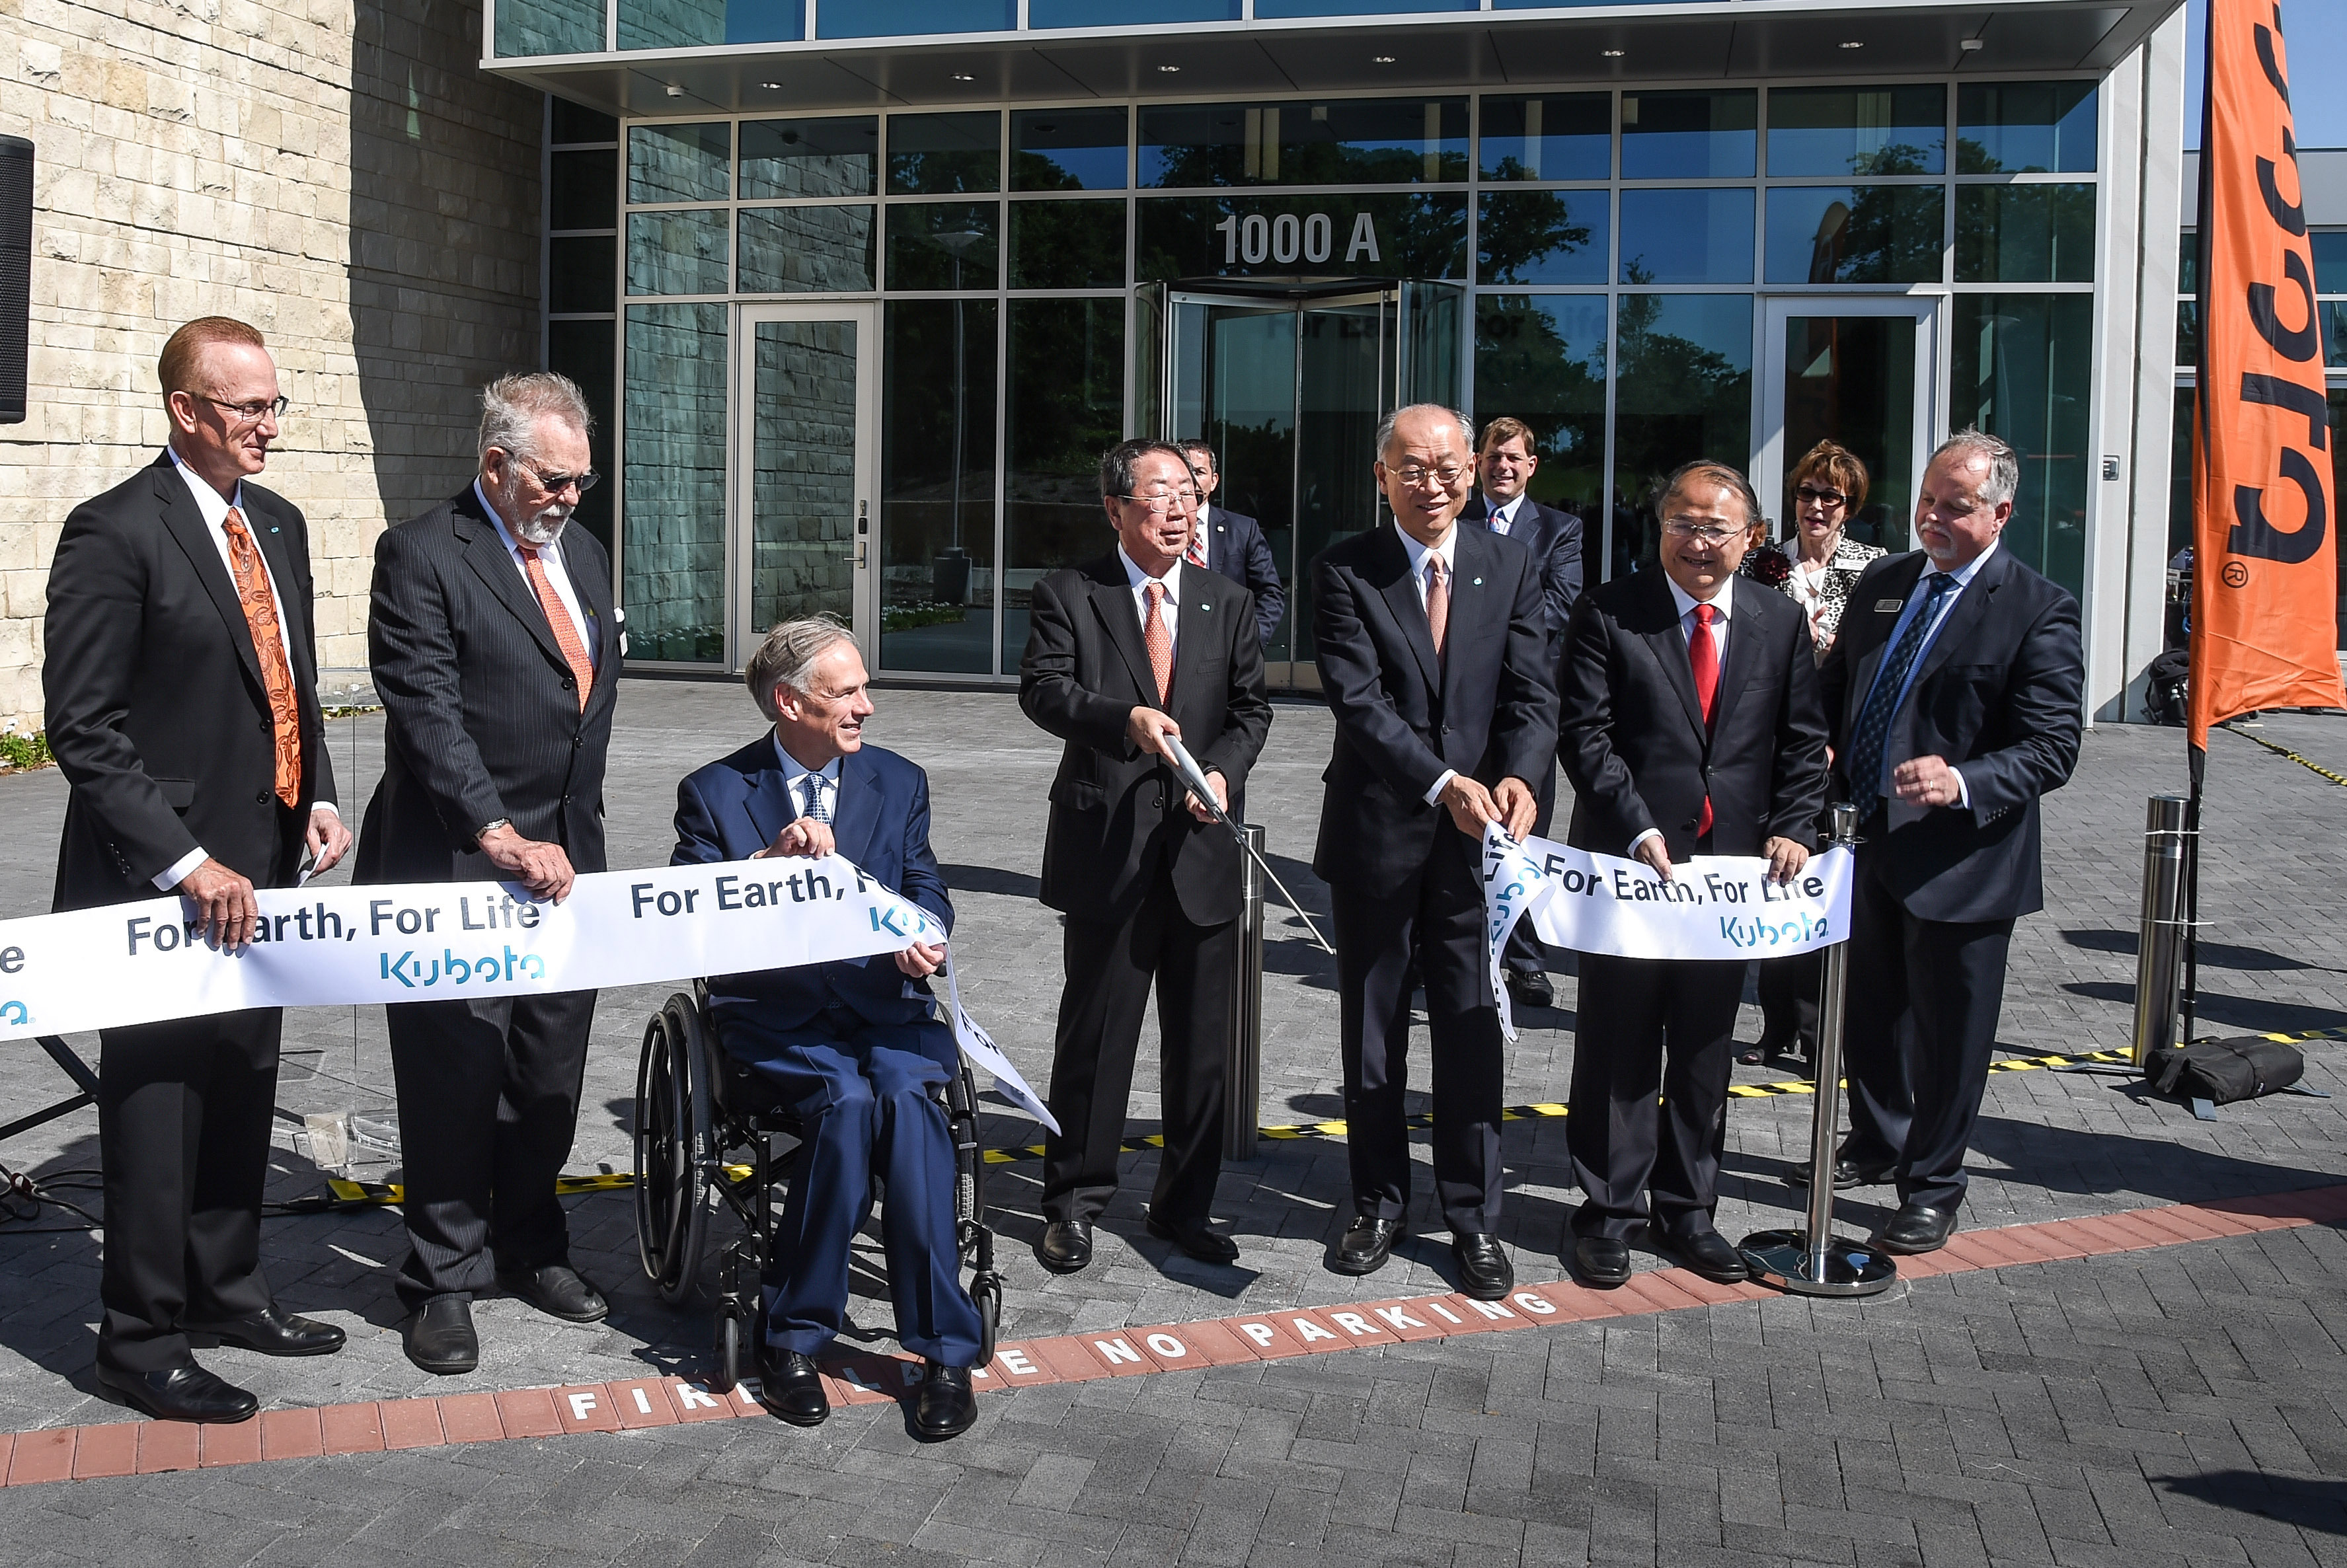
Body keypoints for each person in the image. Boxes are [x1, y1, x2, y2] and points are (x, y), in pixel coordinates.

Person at [43, 316, 354, 1423]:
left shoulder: (278, 521)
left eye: (275, 402)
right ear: (188, 410)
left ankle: (227, 1290)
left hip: (266, 869)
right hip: (161, 884)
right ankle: (138, 1338)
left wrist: (314, 788)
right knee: (158, 1113)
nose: (270, 424)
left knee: (241, 1088)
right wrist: (185, 863)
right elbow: (82, 729)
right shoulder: (113, 531)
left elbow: (290, 680)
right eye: (249, 406)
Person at [358, 371, 621, 1374]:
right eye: (551, 480)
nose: (567, 499)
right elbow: (425, 709)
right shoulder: (423, 554)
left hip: (567, 862)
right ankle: (439, 1277)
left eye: (580, 482)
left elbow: (576, 693)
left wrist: (556, 837)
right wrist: (498, 830)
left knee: (546, 1070)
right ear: (496, 464)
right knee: (453, 1076)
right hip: (457, 857)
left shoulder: (583, 554)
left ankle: (529, 1244)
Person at [672, 619, 982, 1441]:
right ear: (788, 701)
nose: (866, 708)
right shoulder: (714, 791)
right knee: (843, 1104)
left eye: (862, 689)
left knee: (911, 1103)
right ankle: (792, 1334)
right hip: (777, 1012)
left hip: (886, 1004)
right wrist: (766, 867)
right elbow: (687, 918)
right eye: (846, 693)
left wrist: (926, 932)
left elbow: (925, 883)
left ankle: (945, 1350)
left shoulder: (897, 780)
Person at [1555, 460, 1829, 1288]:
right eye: (1683, 522)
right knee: (1618, 1043)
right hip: (1634, 866)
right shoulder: (1609, 612)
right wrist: (1633, 822)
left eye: (1717, 528)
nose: (1698, 541)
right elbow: (1585, 736)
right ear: (1659, 525)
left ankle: (1688, 1210)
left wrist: (1792, 826)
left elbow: (1799, 741)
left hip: (1731, 877)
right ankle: (1607, 1210)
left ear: (1749, 539)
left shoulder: (1777, 621)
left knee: (1707, 1047)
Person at [1309, 404, 1557, 1298]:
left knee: (1470, 1029)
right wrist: (1439, 783)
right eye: (1411, 467)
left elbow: (1532, 693)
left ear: (1474, 468)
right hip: (1380, 835)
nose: (1434, 483)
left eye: (1449, 465)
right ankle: (1376, 1201)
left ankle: (1472, 1217)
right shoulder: (1346, 568)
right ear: (1382, 477)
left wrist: (1523, 774)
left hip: (1478, 846)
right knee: (1372, 1038)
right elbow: (1357, 701)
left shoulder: (1508, 563)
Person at [1816, 429, 2084, 1254]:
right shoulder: (1886, 583)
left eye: (1954, 507)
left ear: (2000, 513)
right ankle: (1877, 1140)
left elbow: (2050, 749)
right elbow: (1834, 696)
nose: (1931, 517)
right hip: (1863, 849)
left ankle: (1931, 1185)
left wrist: (1961, 781)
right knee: (1867, 1020)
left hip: (1960, 863)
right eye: (1926, 500)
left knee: (1948, 1036)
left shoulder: (2037, 608)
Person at [1018, 438, 1273, 1275]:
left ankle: (1182, 1207)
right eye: (1158, 496)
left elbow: (1249, 711)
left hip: (1199, 853)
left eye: (1187, 496)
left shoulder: (1226, 600)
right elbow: (1044, 690)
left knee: (1201, 1048)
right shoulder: (1070, 592)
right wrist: (1118, 717)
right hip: (1108, 853)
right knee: (1095, 1040)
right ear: (1115, 508)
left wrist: (1225, 775)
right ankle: (1073, 1202)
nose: (1177, 510)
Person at [1736, 441, 1886, 1067]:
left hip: (1842, 746)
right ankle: (1776, 1024)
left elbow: (1870, 667)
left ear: (1849, 506)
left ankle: (1822, 1027)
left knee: (1825, 885)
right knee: (1774, 877)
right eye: (1806, 493)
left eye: (1832, 496)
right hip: (1773, 744)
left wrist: (1835, 739)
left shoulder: (1875, 567)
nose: (1817, 506)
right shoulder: (1761, 565)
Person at [1459, 416, 1586, 1010]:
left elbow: (1558, 605)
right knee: (1458, 827)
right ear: (1476, 461)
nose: (1502, 466)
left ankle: (1526, 959)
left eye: (1514, 458)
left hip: (1525, 705)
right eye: (1492, 456)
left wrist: (1482, 633)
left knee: (1520, 829)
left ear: (1531, 466)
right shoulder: (1451, 523)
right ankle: (1454, 951)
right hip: (1457, 704)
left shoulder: (1559, 530)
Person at [1176, 438, 1286, 650]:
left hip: (1227, 649)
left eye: (1199, 472)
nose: (1192, 479)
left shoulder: (1243, 530)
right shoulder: (1157, 527)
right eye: (1185, 472)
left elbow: (1270, 594)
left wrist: (1249, 642)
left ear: (1214, 480)